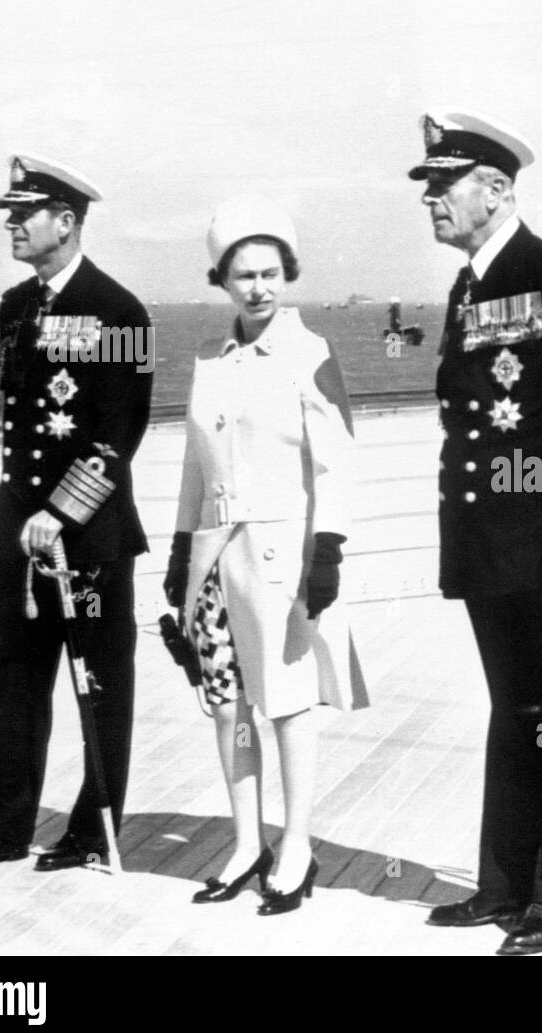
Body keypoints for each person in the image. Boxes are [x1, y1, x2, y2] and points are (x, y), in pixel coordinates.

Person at [409, 110, 542, 955]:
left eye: (444, 183)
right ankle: (504, 883)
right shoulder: (471, 285)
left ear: (496, 190)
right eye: (428, 185)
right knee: (515, 710)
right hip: (493, 545)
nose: (431, 198)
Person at [0, 154, 153, 876]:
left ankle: (93, 830)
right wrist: (23, 513)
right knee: (9, 680)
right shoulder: (13, 307)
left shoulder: (122, 312)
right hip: (15, 520)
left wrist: (61, 511)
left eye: (23, 213)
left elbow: (120, 430)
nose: (10, 224)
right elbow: (16, 417)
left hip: (86, 529)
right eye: (9, 212)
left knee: (97, 679)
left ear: (66, 221)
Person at [163, 193, 367, 915]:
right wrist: (180, 552)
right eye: (243, 274)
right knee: (227, 708)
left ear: (288, 275)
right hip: (216, 563)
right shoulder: (209, 361)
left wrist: (330, 547)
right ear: (221, 279)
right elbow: (196, 469)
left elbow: (335, 459)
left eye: (271, 273)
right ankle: (246, 843)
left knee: (285, 707)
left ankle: (297, 845)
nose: (258, 287)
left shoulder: (309, 352)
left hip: (283, 559)